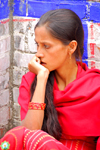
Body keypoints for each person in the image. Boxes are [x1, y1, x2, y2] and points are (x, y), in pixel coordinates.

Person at [0, 8, 100, 150]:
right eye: (38, 45)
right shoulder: (31, 81)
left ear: (71, 47)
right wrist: (41, 78)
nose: (39, 53)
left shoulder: (96, 87)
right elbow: (28, 134)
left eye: (46, 46)